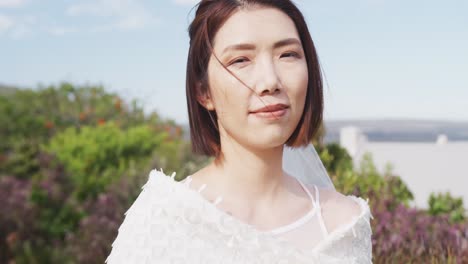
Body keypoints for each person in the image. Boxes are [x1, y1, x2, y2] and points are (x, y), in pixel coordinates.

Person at [106, 0, 373, 263]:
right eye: (241, 60)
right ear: (203, 91)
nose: (270, 81)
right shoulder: (166, 219)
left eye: (287, 54)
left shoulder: (345, 223)